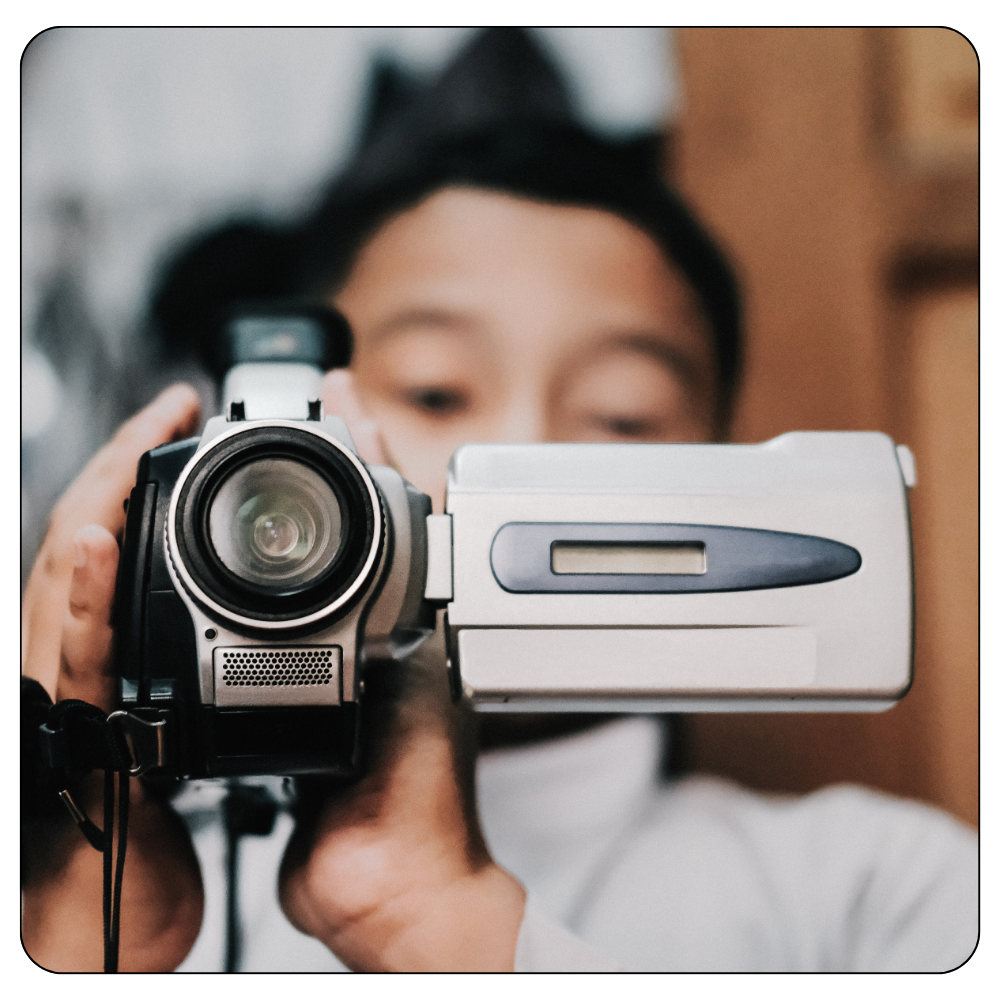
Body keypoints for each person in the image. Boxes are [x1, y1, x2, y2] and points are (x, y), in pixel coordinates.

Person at [21, 31, 977, 972]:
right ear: (267, 459)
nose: (518, 453)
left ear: (725, 496)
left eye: (621, 416)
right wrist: (79, 905)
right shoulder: (115, 899)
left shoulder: (883, 891)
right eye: (436, 392)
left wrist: (436, 929)